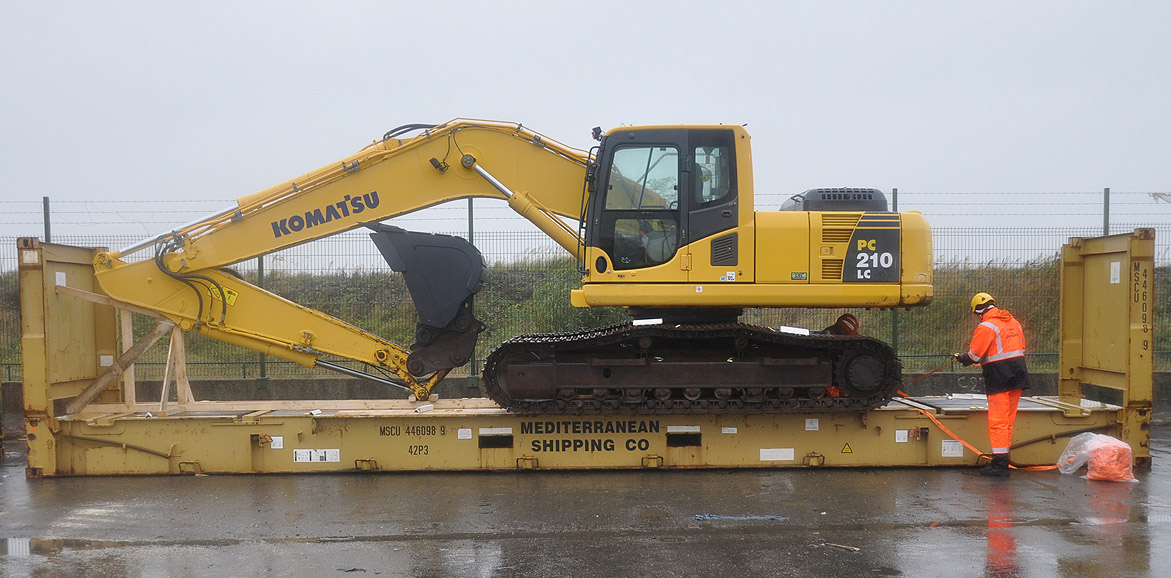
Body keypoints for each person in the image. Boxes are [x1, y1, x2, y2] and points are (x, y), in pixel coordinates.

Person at [954, 292, 1030, 477]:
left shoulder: (986, 326)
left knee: (998, 422)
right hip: (1018, 375)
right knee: (1008, 421)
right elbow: (1016, 349)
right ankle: (1003, 458)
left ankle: (1000, 465)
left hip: (999, 378)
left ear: (978, 311)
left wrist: (962, 358)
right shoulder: (1014, 323)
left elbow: (974, 355)